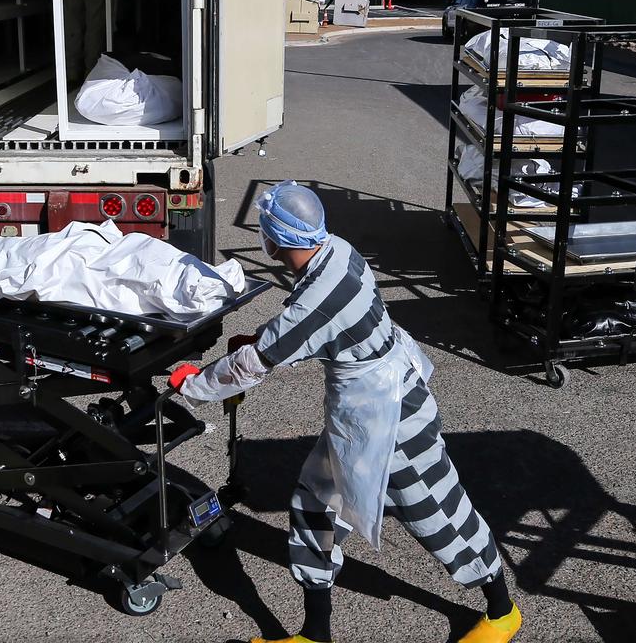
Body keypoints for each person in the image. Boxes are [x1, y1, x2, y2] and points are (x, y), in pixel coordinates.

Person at [168, 181, 521, 643]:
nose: (266, 244)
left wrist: (193, 383)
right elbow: (296, 328)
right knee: (314, 508)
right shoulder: (336, 250)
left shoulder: (316, 303)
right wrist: (262, 338)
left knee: (437, 512)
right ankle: (316, 635)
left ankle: (502, 611)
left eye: (266, 234)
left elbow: (260, 360)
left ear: (274, 239)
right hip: (360, 415)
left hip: (392, 416)